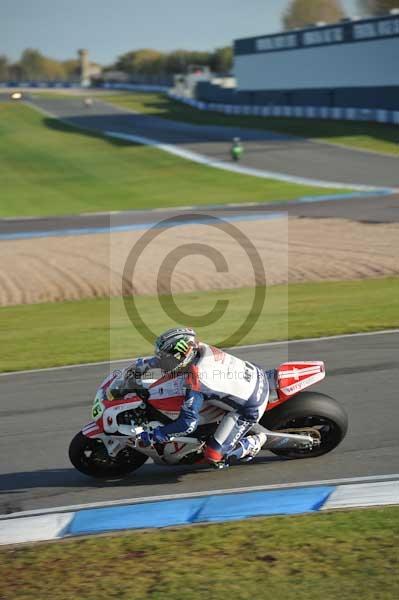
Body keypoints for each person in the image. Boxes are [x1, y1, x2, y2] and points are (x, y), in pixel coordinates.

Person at [109, 327, 268, 467]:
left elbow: (187, 424)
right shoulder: (197, 348)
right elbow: (160, 362)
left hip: (250, 405)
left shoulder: (196, 380)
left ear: (180, 356)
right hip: (253, 374)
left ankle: (253, 443)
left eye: (166, 357)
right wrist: (136, 371)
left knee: (213, 455)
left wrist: (154, 435)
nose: (162, 360)